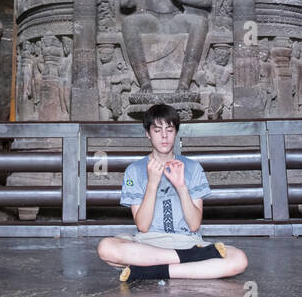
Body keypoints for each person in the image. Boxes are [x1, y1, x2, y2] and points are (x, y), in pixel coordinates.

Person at [96, 104, 249, 282]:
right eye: (157, 130)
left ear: (176, 132)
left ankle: (151, 271)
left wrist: (181, 186)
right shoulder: (135, 170)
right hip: (148, 245)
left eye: (169, 130)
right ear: (148, 133)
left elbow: (194, 225)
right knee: (106, 248)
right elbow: (143, 226)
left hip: (189, 242)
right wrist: (152, 183)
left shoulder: (193, 167)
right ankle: (190, 261)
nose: (164, 136)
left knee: (239, 259)